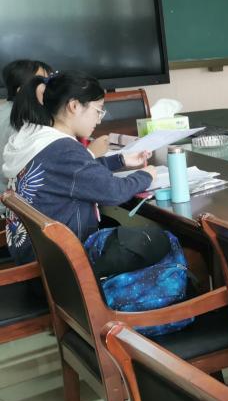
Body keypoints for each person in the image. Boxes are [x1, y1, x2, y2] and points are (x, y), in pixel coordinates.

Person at [2, 71, 156, 264]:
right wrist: (146, 175)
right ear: (74, 106)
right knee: (158, 240)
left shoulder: (36, 138)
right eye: (98, 110)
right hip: (63, 262)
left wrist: (120, 160)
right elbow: (114, 192)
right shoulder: (64, 149)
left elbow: (70, 176)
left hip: (36, 252)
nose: (99, 120)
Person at [0, 59, 53, 152]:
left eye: (49, 80)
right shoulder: (24, 121)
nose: (50, 87)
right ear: (21, 91)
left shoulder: (6, 107)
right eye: (42, 81)